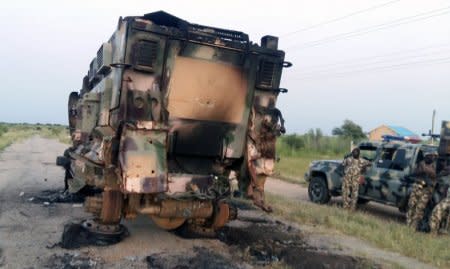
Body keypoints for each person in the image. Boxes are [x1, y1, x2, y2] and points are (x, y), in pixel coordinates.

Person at [406, 151, 437, 230]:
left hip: (426, 190)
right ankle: (408, 224)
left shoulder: (435, 166)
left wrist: (427, 173)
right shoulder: (421, 164)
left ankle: (414, 227)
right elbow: (413, 175)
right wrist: (420, 178)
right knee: (411, 205)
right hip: (417, 187)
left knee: (420, 208)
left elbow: (435, 176)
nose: (431, 157)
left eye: (433, 156)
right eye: (430, 156)